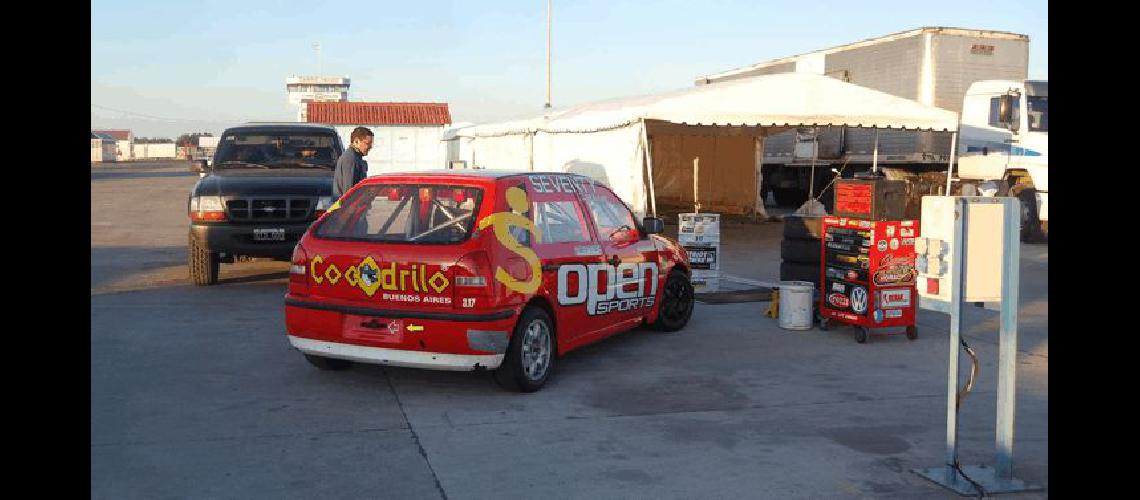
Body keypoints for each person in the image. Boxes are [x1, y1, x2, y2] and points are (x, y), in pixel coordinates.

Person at [333, 127, 374, 199]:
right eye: (367, 143)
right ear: (356, 141)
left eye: (371, 143)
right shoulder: (350, 159)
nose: (370, 147)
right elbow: (349, 192)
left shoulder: (356, 158)